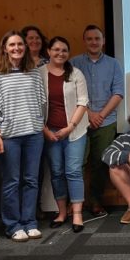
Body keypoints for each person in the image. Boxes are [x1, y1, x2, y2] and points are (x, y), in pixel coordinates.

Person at [0, 30, 47, 242]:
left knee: (31, 180)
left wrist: (40, 125)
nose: (17, 48)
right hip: (9, 137)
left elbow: (42, 103)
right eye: (12, 45)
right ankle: (13, 225)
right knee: (11, 181)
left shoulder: (34, 72)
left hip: (33, 135)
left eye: (20, 44)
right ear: (4, 48)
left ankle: (29, 222)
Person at [70, 24, 124, 219]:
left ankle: (95, 201)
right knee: (77, 163)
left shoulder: (113, 64)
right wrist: (89, 114)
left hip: (106, 121)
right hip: (79, 120)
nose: (94, 42)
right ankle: (75, 202)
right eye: (90, 39)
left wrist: (100, 115)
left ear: (103, 41)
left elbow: (118, 93)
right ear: (84, 41)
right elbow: (71, 94)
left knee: (101, 163)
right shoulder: (74, 63)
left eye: (97, 39)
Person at [40, 36, 89, 233]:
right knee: (57, 172)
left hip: (74, 130)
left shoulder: (76, 73)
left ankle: (76, 214)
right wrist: (45, 131)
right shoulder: (38, 74)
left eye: (64, 50)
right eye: (56, 50)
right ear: (49, 52)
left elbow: (83, 102)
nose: (60, 54)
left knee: (73, 171)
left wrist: (70, 127)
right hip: (49, 131)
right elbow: (34, 104)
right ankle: (61, 213)